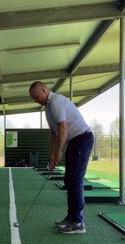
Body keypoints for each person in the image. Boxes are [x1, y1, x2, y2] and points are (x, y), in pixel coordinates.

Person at [29, 81, 94, 234]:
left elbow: (63, 128)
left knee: (75, 180)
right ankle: (71, 217)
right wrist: (51, 155)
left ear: (44, 90)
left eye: (37, 96)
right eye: (33, 98)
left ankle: (78, 222)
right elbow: (54, 133)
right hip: (74, 141)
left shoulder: (57, 101)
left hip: (83, 138)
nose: (35, 100)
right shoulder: (47, 109)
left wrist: (59, 152)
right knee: (69, 180)